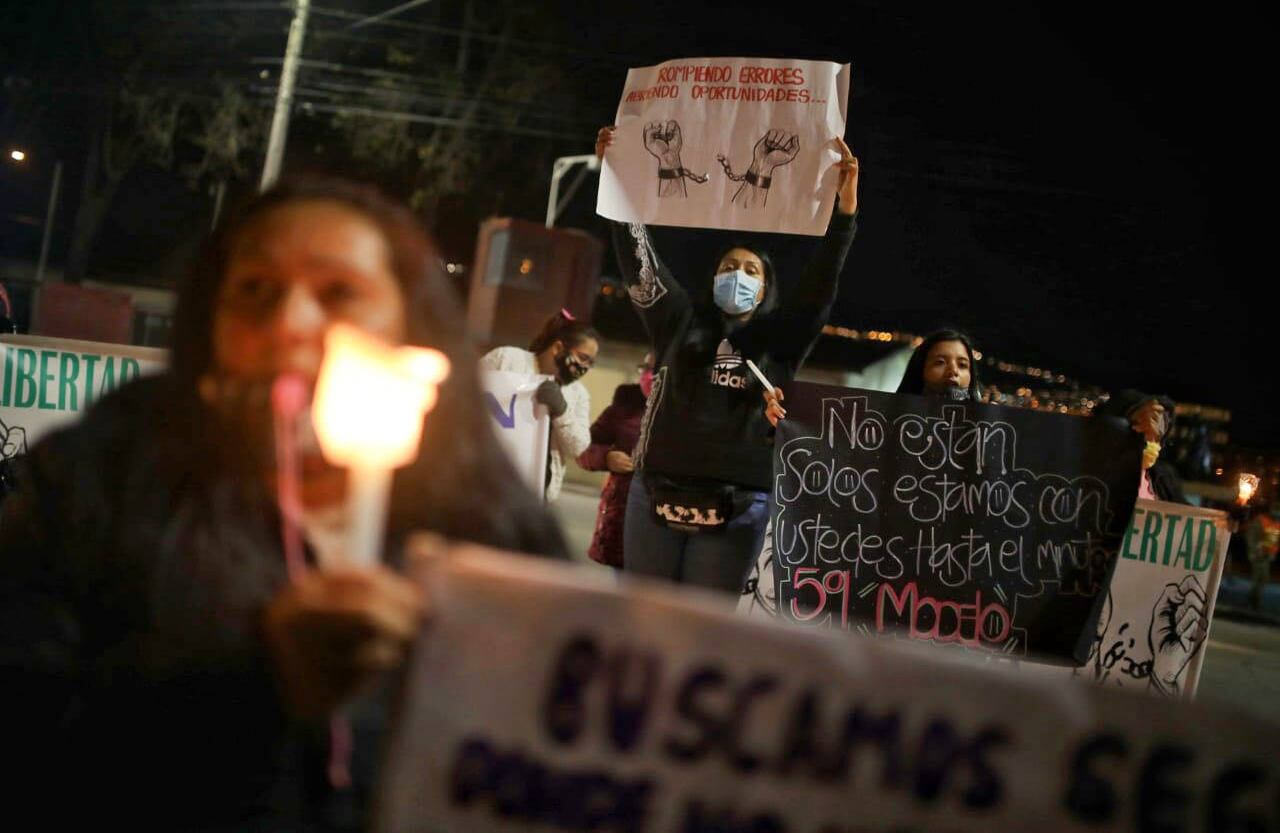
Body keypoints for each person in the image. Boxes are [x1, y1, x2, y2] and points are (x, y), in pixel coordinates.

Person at [0, 177, 565, 831]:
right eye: (255, 292)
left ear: (409, 323)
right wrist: (255, 689)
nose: (290, 323)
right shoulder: (103, 474)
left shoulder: (484, 514)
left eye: (339, 293)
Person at [596, 125, 859, 593]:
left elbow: (821, 286)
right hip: (655, 489)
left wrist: (845, 213)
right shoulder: (677, 321)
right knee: (643, 617)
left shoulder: (781, 339)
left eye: (750, 270)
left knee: (704, 626)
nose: (737, 274)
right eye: (728, 267)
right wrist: (615, 182)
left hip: (739, 504)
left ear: (765, 288)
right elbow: (640, 264)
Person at [481, 310, 599, 502]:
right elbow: (469, 393)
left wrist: (562, 410)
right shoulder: (507, 359)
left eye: (591, 363)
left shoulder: (578, 394)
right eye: (583, 358)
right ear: (558, 348)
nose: (585, 367)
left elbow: (579, 447)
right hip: (489, 477)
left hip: (535, 492)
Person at [764, 328, 982, 428]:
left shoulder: (992, 438)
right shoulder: (885, 427)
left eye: (963, 365)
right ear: (920, 371)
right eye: (940, 362)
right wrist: (785, 419)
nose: (953, 371)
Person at [577, 353, 654, 567]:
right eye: (645, 367)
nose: (649, 375)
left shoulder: (686, 412)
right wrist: (606, 457)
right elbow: (584, 447)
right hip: (621, 519)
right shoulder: (624, 407)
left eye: (656, 369)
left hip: (665, 521)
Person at [1094, 388, 1186, 503]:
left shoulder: (1164, 478)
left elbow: (1188, 514)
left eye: (1159, 430)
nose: (1151, 437)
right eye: (1140, 425)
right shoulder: (1093, 473)